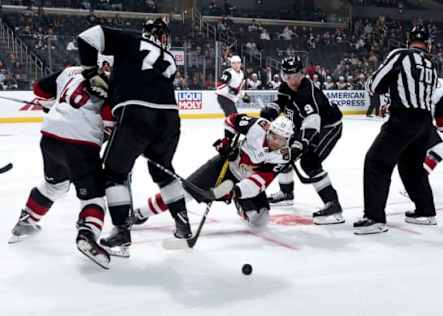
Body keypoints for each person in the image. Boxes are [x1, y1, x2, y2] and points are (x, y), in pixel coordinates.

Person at [76, 18, 192, 256]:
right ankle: (183, 225)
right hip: (170, 118)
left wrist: (90, 72)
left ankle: (121, 231)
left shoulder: (131, 39)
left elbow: (87, 36)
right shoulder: (169, 59)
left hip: (137, 112)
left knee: (114, 173)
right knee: (163, 170)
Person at [9, 61, 114, 269]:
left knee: (55, 186)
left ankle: (26, 222)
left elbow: (39, 88)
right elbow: (109, 118)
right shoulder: (116, 82)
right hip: (81, 142)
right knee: (93, 196)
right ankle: (87, 233)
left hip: (50, 136)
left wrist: (54, 101)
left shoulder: (71, 70)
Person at [131, 114, 294, 228]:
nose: (275, 141)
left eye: (281, 139)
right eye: (273, 136)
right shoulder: (258, 126)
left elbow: (258, 183)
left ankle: (241, 205)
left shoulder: (283, 156)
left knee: (261, 220)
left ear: (287, 140)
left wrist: (234, 192)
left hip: (246, 183)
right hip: (225, 166)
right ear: (269, 130)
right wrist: (227, 143)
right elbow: (231, 120)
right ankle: (140, 213)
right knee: (183, 192)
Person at [354, 25, 439, 234]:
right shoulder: (431, 64)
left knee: (376, 162)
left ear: (409, 41)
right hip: (425, 121)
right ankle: (425, 211)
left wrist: (377, 88)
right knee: (412, 167)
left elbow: (374, 84)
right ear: (427, 44)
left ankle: (374, 218)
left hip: (404, 119)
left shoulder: (400, 55)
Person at [260, 56, 344, 225]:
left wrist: (300, 144)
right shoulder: (285, 87)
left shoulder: (307, 93)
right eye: (287, 76)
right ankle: (286, 193)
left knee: (309, 162)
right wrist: (272, 110)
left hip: (328, 127)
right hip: (304, 126)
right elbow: (282, 102)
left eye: (295, 76)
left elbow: (312, 122)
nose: (291, 80)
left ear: (302, 74)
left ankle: (333, 206)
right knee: (281, 151)